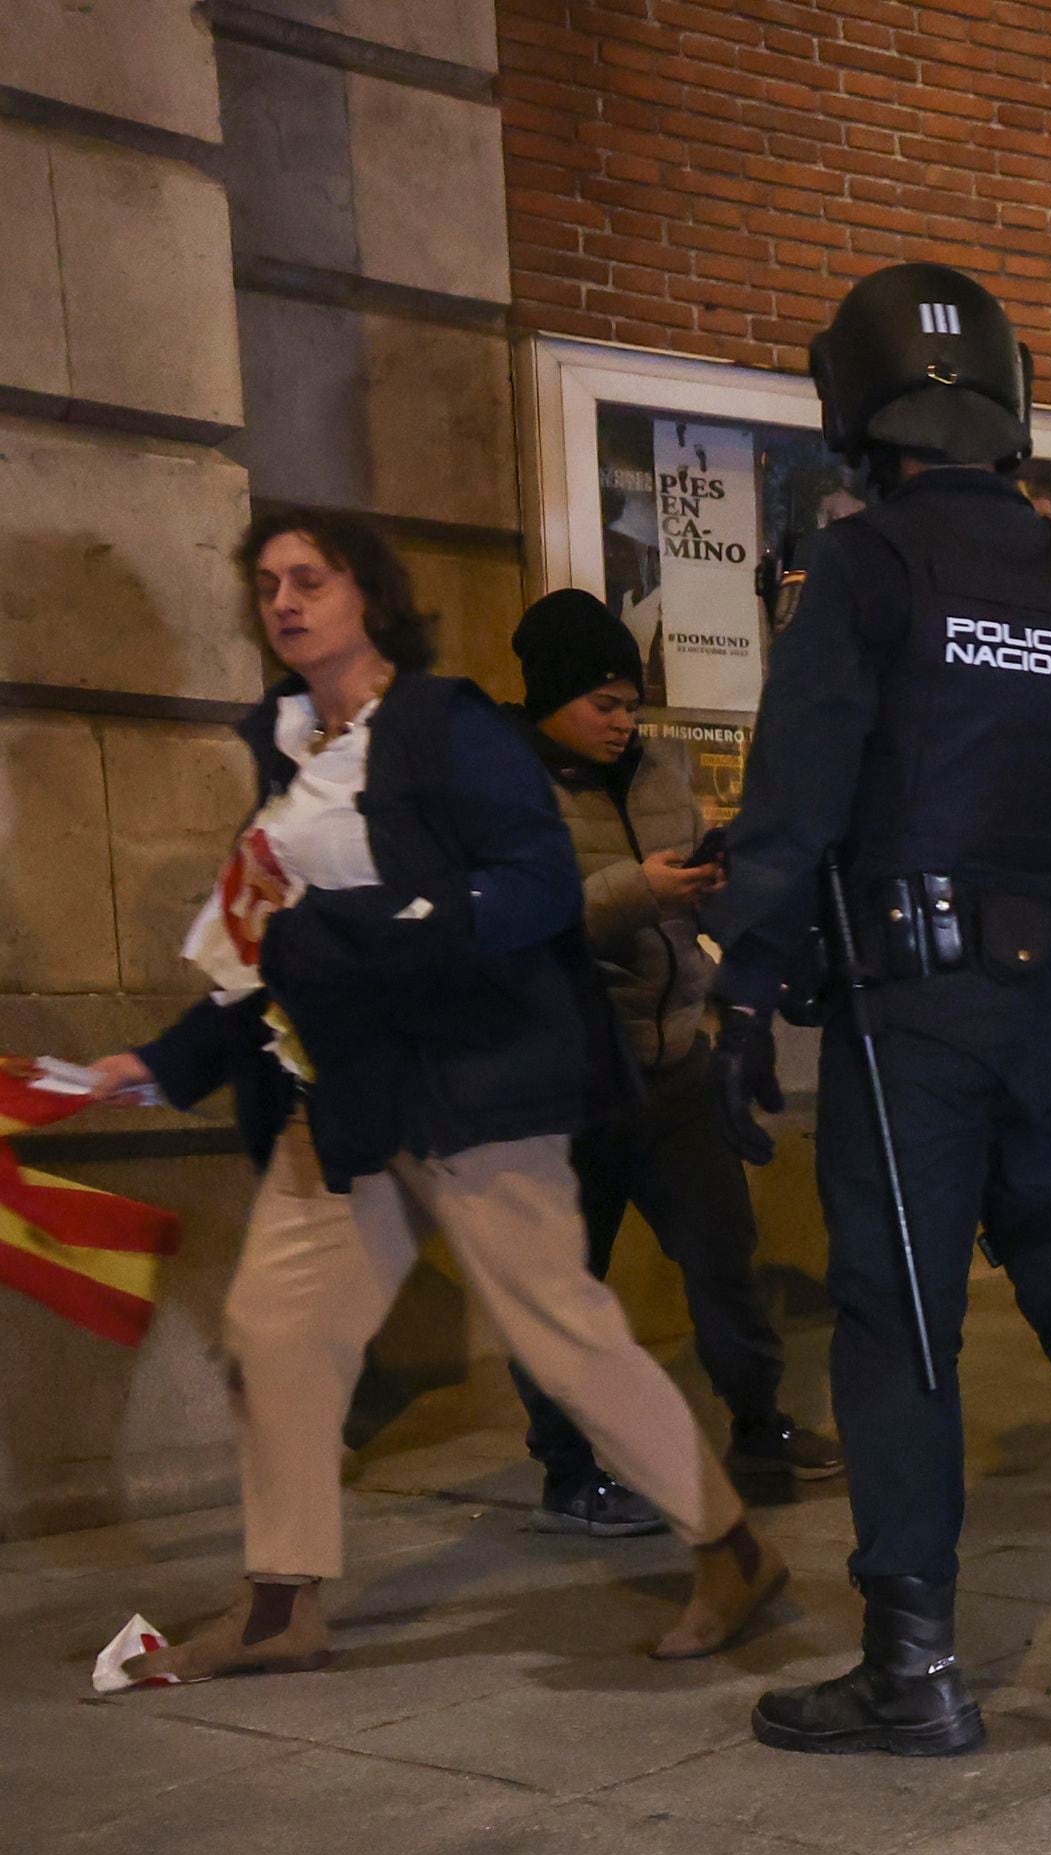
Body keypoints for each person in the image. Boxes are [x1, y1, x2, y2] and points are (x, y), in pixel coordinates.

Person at [704, 262, 1051, 1753]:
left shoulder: (868, 572)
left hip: (915, 1017)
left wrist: (750, 979)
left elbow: (800, 789)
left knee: (901, 1322)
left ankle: (915, 1671)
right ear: (1003, 408)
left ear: (857, 410)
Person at [84, 513, 782, 1681]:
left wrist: (370, 933)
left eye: (311, 578)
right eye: (266, 585)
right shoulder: (294, 743)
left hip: (474, 1085)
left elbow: (535, 885)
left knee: (561, 1332)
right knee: (277, 1327)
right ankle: (280, 1602)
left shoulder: (444, 724)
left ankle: (733, 1547)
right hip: (347, 1093)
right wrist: (160, 1059)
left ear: (371, 595)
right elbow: (264, 944)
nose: (286, 601)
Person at [502, 590, 842, 1536]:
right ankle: (569, 1470)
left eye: (630, 703)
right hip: (566, 1078)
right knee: (562, 1283)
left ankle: (758, 1423)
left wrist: (714, 891)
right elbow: (509, 923)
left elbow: (686, 897)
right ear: (552, 697)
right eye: (603, 703)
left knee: (723, 1254)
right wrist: (633, 891)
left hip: (674, 1065)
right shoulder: (502, 785)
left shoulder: (660, 770)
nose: (623, 722)